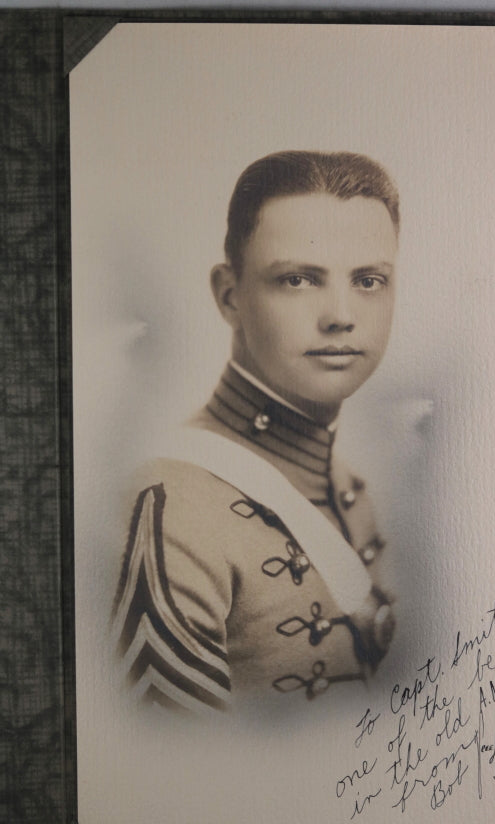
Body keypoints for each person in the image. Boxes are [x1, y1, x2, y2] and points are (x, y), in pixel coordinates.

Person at [112, 150, 399, 714]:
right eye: (298, 279)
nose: (341, 314)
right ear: (229, 294)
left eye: (369, 280)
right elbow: (171, 775)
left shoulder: (359, 493)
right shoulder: (168, 513)